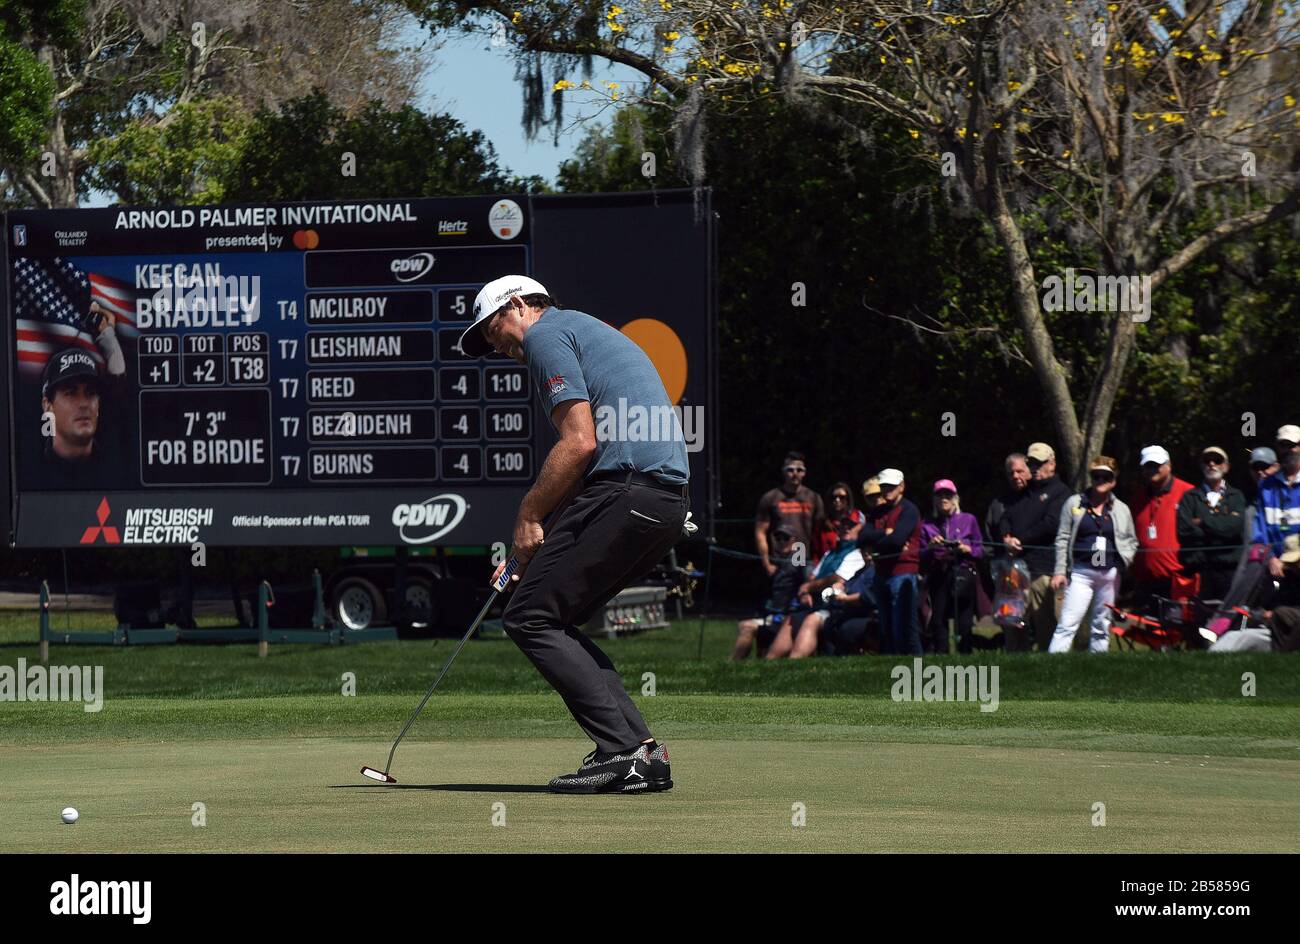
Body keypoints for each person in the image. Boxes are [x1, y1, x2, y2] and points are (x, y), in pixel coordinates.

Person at [462, 275, 687, 794]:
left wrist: (526, 517)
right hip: (662, 502)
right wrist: (528, 552)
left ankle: (622, 750)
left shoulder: (545, 335)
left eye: (491, 327)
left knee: (530, 617)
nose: (492, 345)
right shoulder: (582, 329)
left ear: (519, 305)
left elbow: (580, 444)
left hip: (628, 492)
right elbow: (586, 471)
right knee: (551, 615)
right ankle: (640, 754)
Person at [1048, 456, 1138, 653]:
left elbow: (1132, 541)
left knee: (1102, 622)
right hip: (1081, 572)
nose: (1101, 481)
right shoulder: (1075, 503)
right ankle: (1053, 663)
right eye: (1096, 476)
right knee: (1068, 621)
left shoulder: (1122, 509)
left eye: (1106, 477)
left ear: (1114, 481)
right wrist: (1060, 571)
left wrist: (1123, 562)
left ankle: (1098, 663)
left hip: (1109, 574)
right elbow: (1062, 538)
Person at [996, 444, 1069, 650]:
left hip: (1042, 570)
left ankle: (1047, 674)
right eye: (1032, 464)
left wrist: (1020, 540)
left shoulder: (1061, 492)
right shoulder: (1024, 492)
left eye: (1040, 463)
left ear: (1052, 464)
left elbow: (1051, 524)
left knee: (1045, 626)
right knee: (1013, 625)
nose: (1035, 468)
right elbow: (1005, 517)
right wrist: (1007, 537)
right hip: (1016, 568)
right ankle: (1017, 669)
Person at [768, 515, 867, 659]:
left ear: (861, 528)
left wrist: (809, 587)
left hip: (837, 607)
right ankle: (769, 664)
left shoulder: (858, 553)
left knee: (812, 619)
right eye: (843, 524)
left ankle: (794, 663)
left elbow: (837, 578)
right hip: (814, 604)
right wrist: (805, 592)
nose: (846, 528)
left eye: (852, 525)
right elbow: (811, 579)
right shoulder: (830, 553)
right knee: (792, 619)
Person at [857, 468, 923, 654]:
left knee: (904, 625)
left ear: (901, 487)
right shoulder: (878, 511)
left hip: (903, 572)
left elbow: (897, 540)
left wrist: (875, 544)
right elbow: (861, 538)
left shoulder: (909, 510)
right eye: (884, 486)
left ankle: (916, 664)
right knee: (886, 626)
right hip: (881, 573)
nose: (887, 490)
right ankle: (892, 665)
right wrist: (884, 534)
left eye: (891, 486)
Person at [1176, 446, 1249, 601]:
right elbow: (1183, 530)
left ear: (1226, 467)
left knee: (1228, 621)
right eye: (1207, 461)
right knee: (1198, 620)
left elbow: (1235, 529)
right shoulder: (1190, 497)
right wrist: (1221, 525)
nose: (1211, 464)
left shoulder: (1236, 496)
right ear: (1201, 466)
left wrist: (1202, 522)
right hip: (1198, 572)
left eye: (1217, 460)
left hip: (1228, 570)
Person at [920, 479, 984, 653]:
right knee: (938, 621)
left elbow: (981, 550)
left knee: (964, 621)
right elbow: (920, 555)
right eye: (939, 495)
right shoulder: (927, 523)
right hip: (939, 575)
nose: (943, 499)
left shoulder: (968, 519)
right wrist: (931, 547)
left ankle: (966, 656)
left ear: (955, 498)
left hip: (963, 573)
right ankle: (942, 658)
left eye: (947, 495)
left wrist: (967, 549)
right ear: (934, 500)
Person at [1129, 444, 1196, 607]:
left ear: (1169, 465)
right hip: (1145, 580)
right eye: (1148, 466)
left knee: (1178, 629)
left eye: (1156, 465)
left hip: (1179, 580)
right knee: (1148, 630)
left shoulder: (1189, 493)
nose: (1152, 469)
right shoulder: (1138, 499)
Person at [730, 526, 804, 660]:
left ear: (795, 541)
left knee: (746, 626)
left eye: (786, 538)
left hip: (785, 618)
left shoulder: (797, 562)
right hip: (768, 613)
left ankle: (730, 666)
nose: (781, 541)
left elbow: (802, 576)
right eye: (778, 538)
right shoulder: (776, 561)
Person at [754, 452, 824, 578]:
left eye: (799, 470)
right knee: (781, 597)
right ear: (783, 472)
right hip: (780, 561)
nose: (795, 473)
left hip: (806, 560)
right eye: (790, 470)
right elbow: (760, 532)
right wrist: (766, 564)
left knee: (806, 596)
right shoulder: (770, 498)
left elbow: (820, 532)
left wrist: (819, 562)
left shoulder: (814, 498)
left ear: (804, 473)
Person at [1251, 424, 1300, 581]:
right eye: (1282, 445)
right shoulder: (1266, 486)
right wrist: (1271, 558)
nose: (1287, 450)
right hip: (1277, 570)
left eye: (1291, 445)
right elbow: (1259, 532)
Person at [812, 482, 863, 564]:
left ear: (848, 499)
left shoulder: (857, 517)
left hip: (852, 565)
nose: (837, 500)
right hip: (827, 566)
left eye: (842, 497)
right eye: (833, 497)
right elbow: (816, 550)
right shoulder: (822, 523)